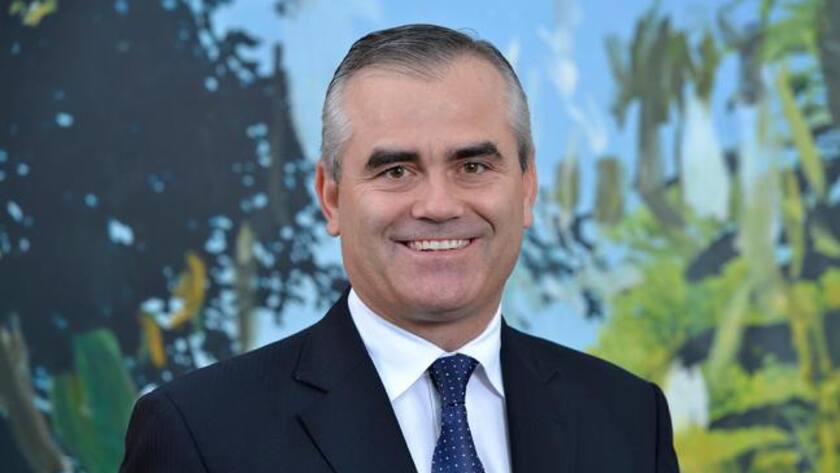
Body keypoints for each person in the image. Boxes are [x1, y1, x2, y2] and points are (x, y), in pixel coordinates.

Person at [120, 24, 680, 472]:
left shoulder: (630, 418)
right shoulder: (199, 432)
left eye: (473, 166)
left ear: (527, 188)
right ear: (331, 197)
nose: (438, 204)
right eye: (395, 171)